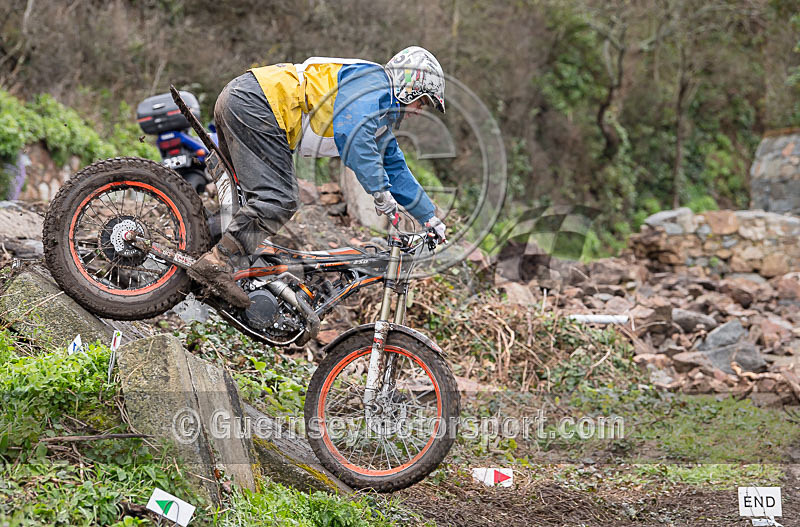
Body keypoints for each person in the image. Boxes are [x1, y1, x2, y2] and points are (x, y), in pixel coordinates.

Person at [188, 46, 448, 308]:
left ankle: (198, 253)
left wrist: (429, 217)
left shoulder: (379, 113)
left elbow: (395, 167)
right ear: (409, 85)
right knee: (278, 199)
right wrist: (379, 192)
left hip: (248, 100)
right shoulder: (372, 85)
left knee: (244, 201)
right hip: (258, 103)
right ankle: (215, 264)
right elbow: (353, 136)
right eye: (422, 101)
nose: (419, 110)